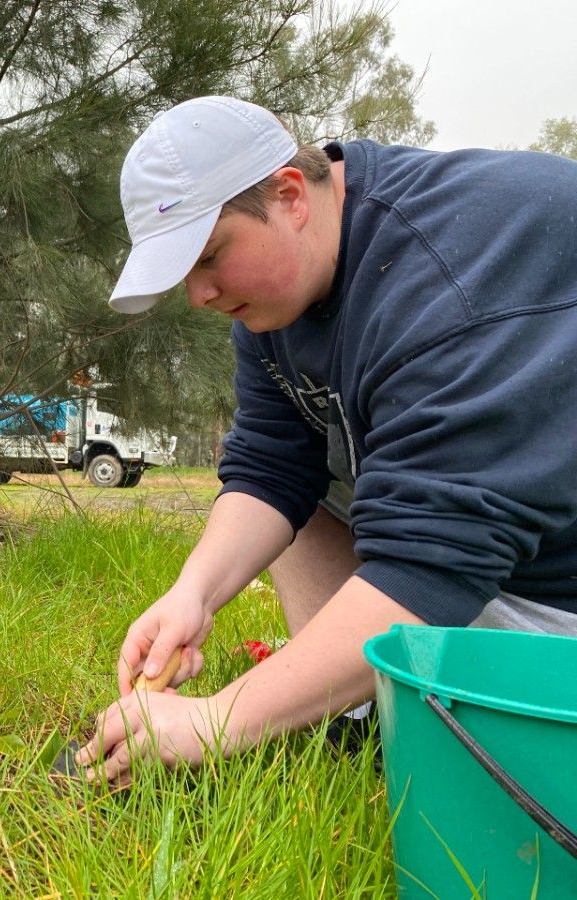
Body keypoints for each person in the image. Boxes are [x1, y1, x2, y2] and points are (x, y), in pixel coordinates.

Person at [77, 96, 577, 784]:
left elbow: (432, 566)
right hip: (482, 573)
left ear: (290, 196)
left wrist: (217, 721)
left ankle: (346, 697)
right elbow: (271, 467)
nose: (198, 295)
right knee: (306, 491)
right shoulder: (280, 300)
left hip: (555, 612)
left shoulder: (454, 276)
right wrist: (194, 593)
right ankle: (354, 712)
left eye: (209, 256)